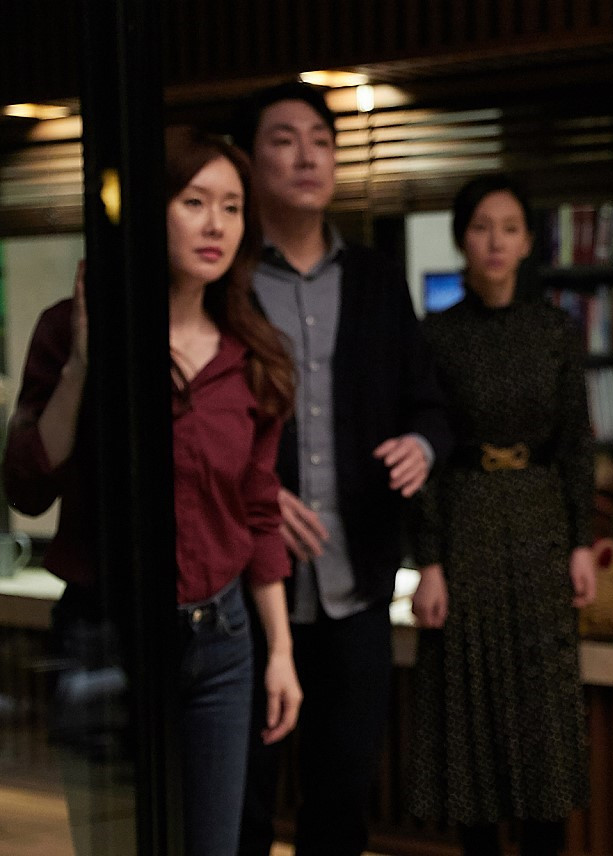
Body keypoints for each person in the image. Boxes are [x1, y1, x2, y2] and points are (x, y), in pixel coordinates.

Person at [3, 125, 303, 856]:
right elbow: (27, 487)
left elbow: (258, 510)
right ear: (148, 210)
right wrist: (81, 367)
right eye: (193, 202)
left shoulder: (251, 351)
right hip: (105, 634)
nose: (215, 225)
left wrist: (281, 651)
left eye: (231, 207)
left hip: (221, 641)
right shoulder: (67, 331)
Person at [229, 81, 453, 856]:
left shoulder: (376, 279)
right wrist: (261, 493)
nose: (308, 156)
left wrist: (421, 446)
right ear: (249, 162)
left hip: (356, 584)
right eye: (284, 139)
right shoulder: (227, 282)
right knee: (243, 806)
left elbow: (429, 404)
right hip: (250, 588)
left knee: (342, 798)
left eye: (321, 141)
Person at [405, 174, 596, 856]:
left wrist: (582, 543)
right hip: (465, 523)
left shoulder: (554, 330)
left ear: (527, 242)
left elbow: (575, 443)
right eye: (482, 227)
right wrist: (429, 562)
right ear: (462, 238)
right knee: (470, 708)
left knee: (543, 709)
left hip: (541, 524)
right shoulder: (436, 335)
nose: (495, 241)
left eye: (509, 228)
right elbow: (424, 453)